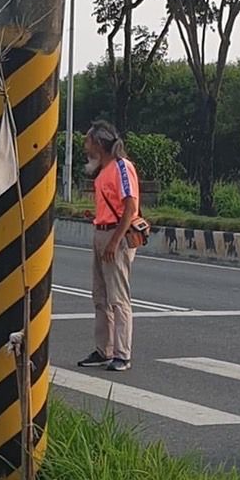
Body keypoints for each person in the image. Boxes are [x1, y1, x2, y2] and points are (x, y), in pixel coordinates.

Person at [77, 122, 141, 374]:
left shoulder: (122, 168)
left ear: (100, 145)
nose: (86, 147)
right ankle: (104, 349)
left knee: (118, 298)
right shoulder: (104, 170)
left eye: (88, 142)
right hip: (102, 233)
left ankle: (122, 354)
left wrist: (114, 241)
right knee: (100, 297)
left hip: (117, 237)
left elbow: (130, 208)